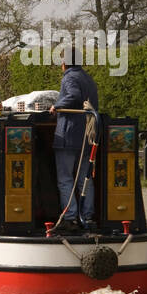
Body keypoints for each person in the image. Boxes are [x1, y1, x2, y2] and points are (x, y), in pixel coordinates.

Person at [49, 47, 100, 231]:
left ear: (65, 63)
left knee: (65, 178)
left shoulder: (69, 77)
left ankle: (70, 217)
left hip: (69, 135)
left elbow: (74, 96)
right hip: (86, 137)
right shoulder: (88, 78)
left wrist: (57, 106)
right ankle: (87, 216)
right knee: (84, 178)